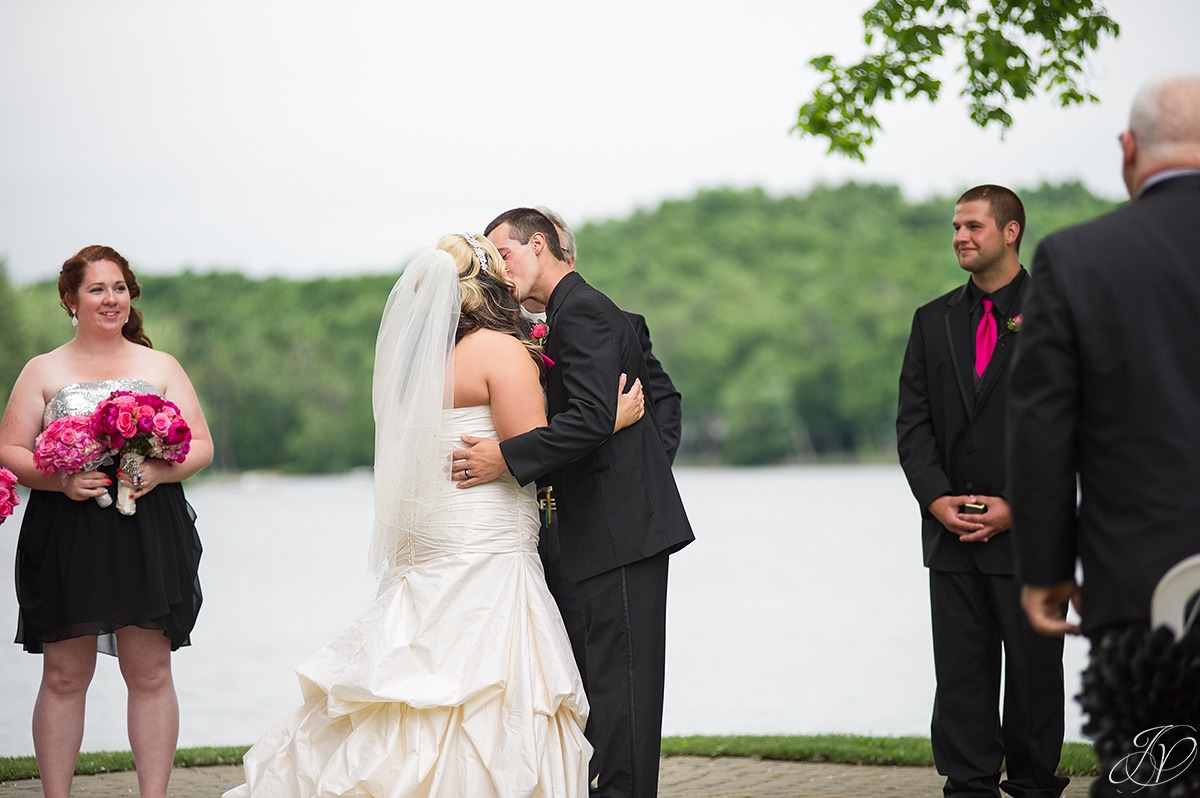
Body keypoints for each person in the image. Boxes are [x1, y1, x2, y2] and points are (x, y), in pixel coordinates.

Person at [224, 233, 645, 797]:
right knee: (491, 684)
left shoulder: (412, 370)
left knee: (416, 674)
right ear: (489, 285)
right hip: (489, 545)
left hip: (434, 544)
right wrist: (609, 421)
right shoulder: (499, 351)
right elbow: (533, 449)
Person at [452, 208, 694, 798]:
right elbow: (594, 416)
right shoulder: (557, 317)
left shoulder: (582, 311)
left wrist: (507, 458)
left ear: (539, 245)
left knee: (626, 689)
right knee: (607, 683)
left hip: (620, 528)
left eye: (503, 254)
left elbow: (590, 416)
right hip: (594, 526)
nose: (498, 269)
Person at [1008, 75, 1200, 796]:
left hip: (1140, 589)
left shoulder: (1080, 258)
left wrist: (1048, 569)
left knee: (1149, 775)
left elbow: (1042, 423)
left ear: (1129, 150)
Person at [0, 245, 213, 798]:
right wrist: (63, 480)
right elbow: (11, 451)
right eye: (97, 289)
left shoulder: (160, 366)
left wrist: (160, 475)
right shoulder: (42, 370)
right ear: (71, 300)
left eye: (118, 288)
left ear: (130, 295)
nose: (110, 299)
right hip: (67, 533)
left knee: (149, 673)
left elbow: (201, 446)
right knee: (65, 676)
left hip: (146, 528)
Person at [896, 186, 1068, 797]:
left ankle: (1033, 786)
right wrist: (938, 500)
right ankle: (966, 787)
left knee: (1033, 680)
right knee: (961, 682)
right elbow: (913, 425)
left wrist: (1018, 506)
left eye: (972, 226)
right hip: (951, 540)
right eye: (955, 227)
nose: (960, 237)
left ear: (1011, 231)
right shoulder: (932, 320)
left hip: (1031, 538)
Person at [524, 206, 683, 696]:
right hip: (543, 520)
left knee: (614, 667)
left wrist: (632, 476)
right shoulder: (516, 335)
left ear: (551, 249)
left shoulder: (598, 316)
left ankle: (608, 772)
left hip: (606, 513)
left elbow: (662, 406)